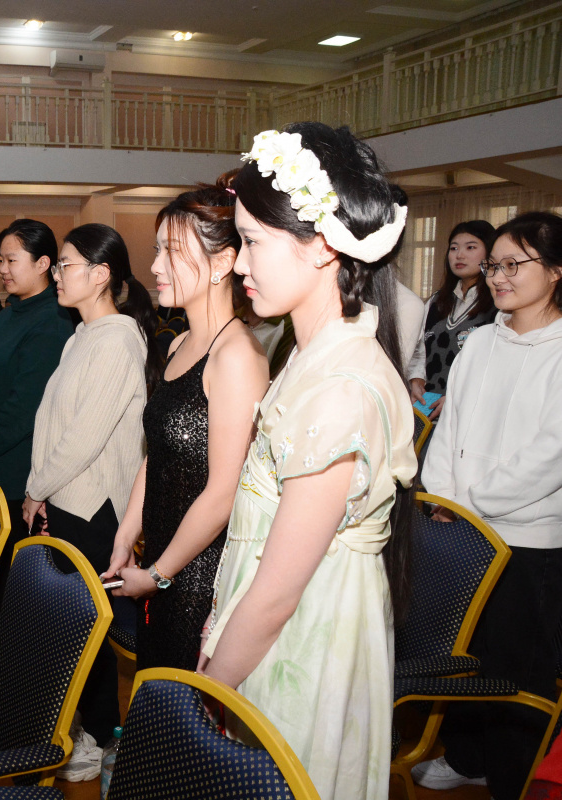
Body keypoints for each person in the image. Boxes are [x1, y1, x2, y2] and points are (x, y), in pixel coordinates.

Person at [199, 124, 417, 800]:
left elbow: (277, 594)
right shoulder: (310, 354)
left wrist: (206, 690)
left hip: (304, 639)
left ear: (321, 246)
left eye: (252, 242)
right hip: (278, 630)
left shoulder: (339, 389)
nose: (238, 264)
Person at [416, 212, 562, 799]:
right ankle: (466, 756)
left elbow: (549, 454)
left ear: (556, 271)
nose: (497, 276)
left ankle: (513, 779)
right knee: (466, 652)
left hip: (528, 538)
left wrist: (470, 502)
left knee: (518, 665)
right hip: (462, 527)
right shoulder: (480, 340)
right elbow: (447, 427)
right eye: (494, 265)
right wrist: (443, 496)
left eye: (512, 265)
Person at [102, 179, 268, 676]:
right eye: (158, 251)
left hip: (200, 576)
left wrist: (157, 573)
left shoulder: (237, 356)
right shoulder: (178, 345)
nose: (155, 267)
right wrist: (126, 533)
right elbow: (156, 454)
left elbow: (223, 492)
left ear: (222, 263)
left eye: (171, 252)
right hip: (162, 557)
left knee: (183, 704)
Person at [22, 222, 159, 781]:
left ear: (101, 275)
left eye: (66, 265)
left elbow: (84, 438)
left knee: (88, 628)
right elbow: (51, 424)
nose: (57, 274)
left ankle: (103, 738)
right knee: (72, 623)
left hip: (95, 507)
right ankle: (85, 726)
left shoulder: (118, 340)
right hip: (68, 498)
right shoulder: (82, 335)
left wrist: (37, 488)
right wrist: (40, 488)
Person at [0, 218, 74, 630]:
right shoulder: (9, 314)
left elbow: (25, 408)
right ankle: (1, 654)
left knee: (13, 585)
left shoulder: (52, 322)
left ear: (43, 264)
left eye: (11, 260)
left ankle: (13, 659)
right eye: (0, 260)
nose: (2, 269)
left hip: (16, 472)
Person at [409, 220, 498, 419]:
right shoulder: (435, 302)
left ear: (490, 254)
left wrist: (457, 397)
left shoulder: (498, 305)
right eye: (454, 248)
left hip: (472, 412)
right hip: (428, 410)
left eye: (470, 247)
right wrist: (416, 378)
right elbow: (419, 348)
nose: (459, 255)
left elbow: (497, 366)